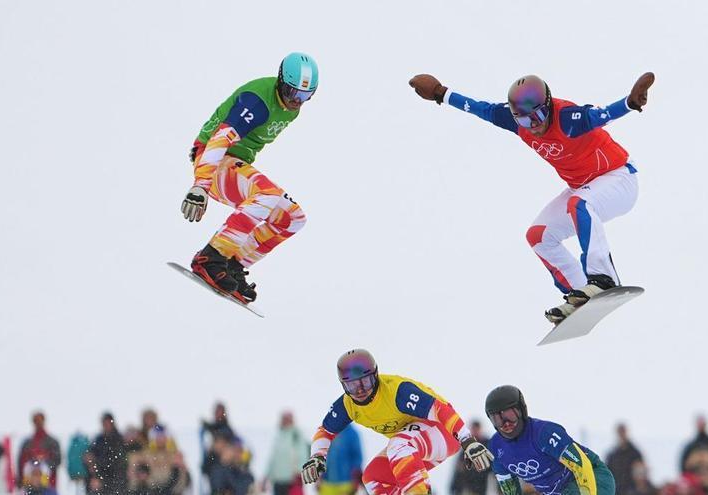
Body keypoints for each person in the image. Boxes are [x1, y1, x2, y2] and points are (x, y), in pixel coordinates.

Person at [408, 71, 654, 323]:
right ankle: (580, 293)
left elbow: (603, 115)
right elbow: (480, 109)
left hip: (619, 179)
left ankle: (604, 279)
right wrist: (441, 93)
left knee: (579, 203)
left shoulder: (568, 118)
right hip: (584, 187)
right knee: (538, 236)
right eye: (524, 121)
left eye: (537, 117)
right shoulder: (513, 121)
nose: (533, 126)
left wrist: (631, 102)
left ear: (548, 106)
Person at [181, 52, 316, 302]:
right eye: (292, 93)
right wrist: (200, 185)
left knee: (293, 218)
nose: (296, 101)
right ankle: (210, 257)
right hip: (213, 158)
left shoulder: (292, 109)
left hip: (234, 164)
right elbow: (220, 139)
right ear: (280, 81)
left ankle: (232, 263)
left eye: (305, 96)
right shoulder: (257, 102)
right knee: (267, 194)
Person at [300, 349, 493, 495]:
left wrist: (467, 440)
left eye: (365, 382)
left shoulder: (397, 392)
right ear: (343, 385)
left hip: (444, 432)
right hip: (415, 447)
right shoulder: (347, 405)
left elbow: (440, 409)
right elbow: (325, 430)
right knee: (373, 477)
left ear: (375, 375)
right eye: (352, 385)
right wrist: (317, 456)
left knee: (398, 444)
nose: (360, 390)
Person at [482, 385, 615, 495]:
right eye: (498, 419)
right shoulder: (496, 447)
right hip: (556, 491)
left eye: (509, 415)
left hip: (592, 476)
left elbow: (581, 466)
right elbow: (510, 489)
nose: (506, 423)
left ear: (521, 410)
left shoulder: (544, 433)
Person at [264, 411, 309, 495]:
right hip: (278, 481)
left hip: (292, 481)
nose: (285, 421)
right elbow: (273, 459)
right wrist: (266, 477)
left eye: (288, 419)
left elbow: (302, 454)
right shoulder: (279, 436)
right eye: (284, 419)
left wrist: (299, 472)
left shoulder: (296, 434)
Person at [84, 412, 128, 495]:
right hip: (102, 477)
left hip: (116, 478)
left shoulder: (119, 439)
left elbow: (118, 461)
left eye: (108, 422)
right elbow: (90, 456)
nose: (106, 425)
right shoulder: (99, 439)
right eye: (105, 423)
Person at [17, 411, 61, 489]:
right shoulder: (27, 442)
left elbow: (57, 460)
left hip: (48, 485)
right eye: (36, 421)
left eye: (39, 421)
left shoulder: (52, 442)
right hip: (29, 485)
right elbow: (21, 462)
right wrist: (20, 480)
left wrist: (44, 462)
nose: (38, 423)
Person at [450, 420, 493, 495]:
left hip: (484, 485)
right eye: (473, 429)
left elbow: (492, 465)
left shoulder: (487, 444)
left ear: (480, 430)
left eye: (476, 429)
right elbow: (459, 468)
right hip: (468, 487)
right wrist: (454, 487)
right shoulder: (466, 446)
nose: (475, 432)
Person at [319, 423, 364, 495]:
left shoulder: (352, 433)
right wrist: (319, 475)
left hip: (346, 482)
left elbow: (357, 457)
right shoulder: (326, 431)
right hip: (326, 482)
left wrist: (355, 479)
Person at [605, 423, 643, 495]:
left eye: (623, 431)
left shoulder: (635, 453)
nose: (621, 434)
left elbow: (640, 473)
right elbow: (607, 471)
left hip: (631, 490)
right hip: (616, 489)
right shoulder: (612, 454)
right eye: (620, 432)